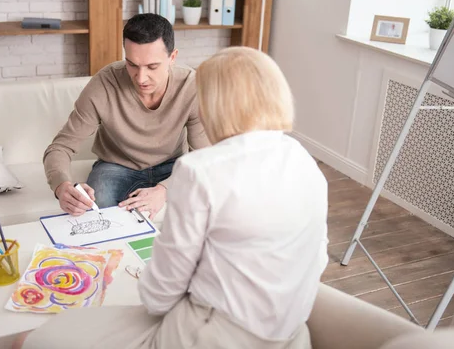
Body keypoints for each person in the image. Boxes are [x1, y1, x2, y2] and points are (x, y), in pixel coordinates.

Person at [17, 47, 329, 349]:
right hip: (290, 336)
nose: (142, 77)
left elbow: (158, 296)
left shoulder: (199, 171)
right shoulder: (304, 160)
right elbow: (318, 259)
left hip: (208, 335)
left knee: (27, 340)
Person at [43, 14, 210, 219]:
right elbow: (60, 147)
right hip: (117, 166)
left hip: (173, 165)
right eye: (132, 64)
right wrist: (61, 185)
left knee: (205, 200)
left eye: (152, 66)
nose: (141, 78)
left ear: (172, 58)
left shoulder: (191, 86)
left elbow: (204, 158)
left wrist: (166, 189)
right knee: (96, 210)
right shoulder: (104, 85)